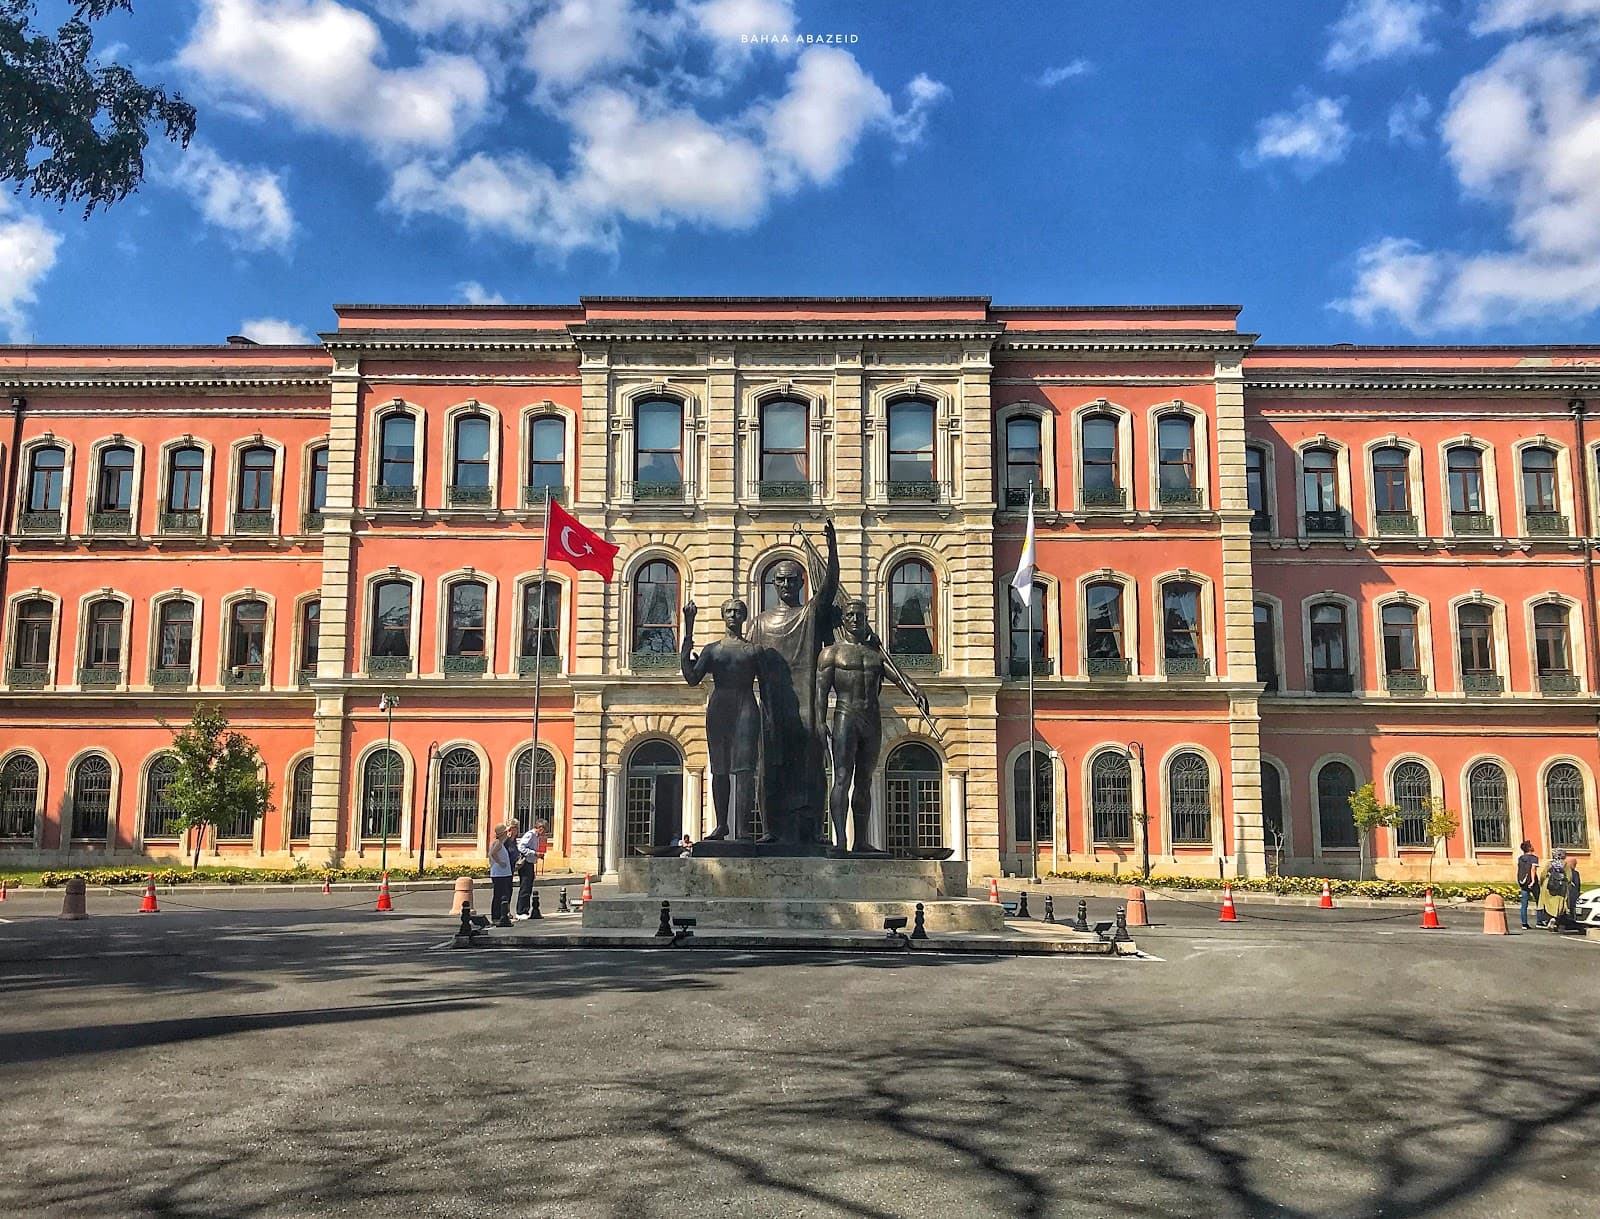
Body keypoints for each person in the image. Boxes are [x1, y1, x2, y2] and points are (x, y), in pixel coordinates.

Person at [815, 599, 930, 854]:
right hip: (846, 716)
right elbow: (820, 693)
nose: (855, 619)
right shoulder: (831, 653)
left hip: (872, 718)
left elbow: (897, 676)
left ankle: (861, 841)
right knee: (842, 778)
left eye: (860, 615)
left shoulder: (875, 653)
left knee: (864, 781)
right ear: (843, 620)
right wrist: (820, 722)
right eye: (850, 615)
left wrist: (914, 689)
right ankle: (841, 840)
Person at [750, 521, 840, 844]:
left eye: (792, 579)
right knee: (770, 771)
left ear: (802, 583)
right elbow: (748, 664)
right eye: (781, 579)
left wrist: (832, 549)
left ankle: (814, 830)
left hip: (807, 709)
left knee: (811, 771)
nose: (787, 584)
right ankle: (771, 830)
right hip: (773, 710)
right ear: (773, 584)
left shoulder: (809, 614)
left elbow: (829, 588)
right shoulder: (759, 623)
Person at [681, 597, 765, 840]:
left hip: (746, 708)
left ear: (744, 616)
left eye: (737, 611)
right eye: (728, 611)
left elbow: (768, 686)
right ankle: (721, 825)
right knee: (719, 769)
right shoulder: (712, 650)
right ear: (722, 615)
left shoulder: (753, 650)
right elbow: (691, 677)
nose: (732, 615)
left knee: (745, 770)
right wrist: (688, 629)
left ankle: (743, 828)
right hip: (719, 709)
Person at [487, 823, 514, 927]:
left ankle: (499, 915)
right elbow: (493, 853)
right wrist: (500, 862)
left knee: (500, 895)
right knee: (500, 895)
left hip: (501, 873)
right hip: (500, 873)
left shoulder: (497, 842)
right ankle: (497, 916)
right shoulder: (498, 843)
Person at [1537, 849, 1570, 932]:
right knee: (1559, 904)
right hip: (1560, 886)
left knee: (1548, 904)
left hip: (1549, 885)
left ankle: (1551, 918)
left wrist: (1542, 883)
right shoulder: (1565, 864)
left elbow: (1543, 875)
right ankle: (1554, 918)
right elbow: (1569, 877)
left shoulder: (1549, 863)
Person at [514, 819, 540, 918]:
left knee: (528, 887)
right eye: (544, 830)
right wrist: (534, 853)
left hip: (530, 862)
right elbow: (521, 847)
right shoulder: (530, 835)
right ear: (540, 828)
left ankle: (525, 910)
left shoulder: (536, 836)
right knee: (525, 887)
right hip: (525, 864)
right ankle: (521, 911)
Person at [1515, 839, 1540, 930]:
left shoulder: (1521, 858)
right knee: (1539, 901)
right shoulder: (1534, 858)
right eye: (1531, 845)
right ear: (1529, 848)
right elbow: (1533, 869)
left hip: (1523, 882)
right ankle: (1539, 921)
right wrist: (1533, 881)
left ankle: (1524, 923)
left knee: (1524, 903)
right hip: (1532, 882)